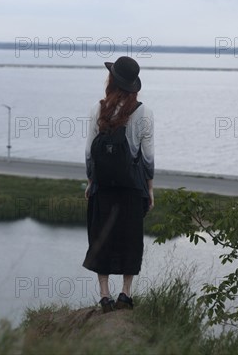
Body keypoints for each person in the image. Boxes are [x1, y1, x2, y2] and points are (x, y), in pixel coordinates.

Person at [83, 56, 155, 313]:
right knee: (131, 239)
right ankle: (126, 293)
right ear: (133, 85)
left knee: (101, 238)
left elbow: (89, 153)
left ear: (111, 80)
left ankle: (105, 296)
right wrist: (149, 189)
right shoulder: (144, 112)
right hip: (131, 188)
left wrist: (91, 182)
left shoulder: (97, 108)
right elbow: (147, 156)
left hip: (103, 186)